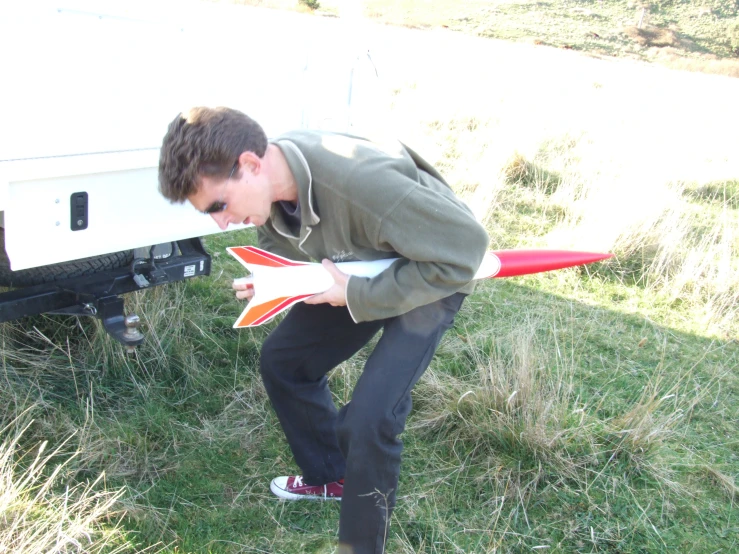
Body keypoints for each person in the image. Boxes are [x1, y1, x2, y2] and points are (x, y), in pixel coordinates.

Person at [158, 106, 489, 554]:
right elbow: (290, 243)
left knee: (371, 417)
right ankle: (332, 477)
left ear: (251, 165)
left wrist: (358, 295)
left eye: (219, 205)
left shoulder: (362, 184)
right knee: (285, 362)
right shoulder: (274, 184)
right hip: (355, 263)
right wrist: (284, 280)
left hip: (431, 273)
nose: (220, 222)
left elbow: (465, 250)